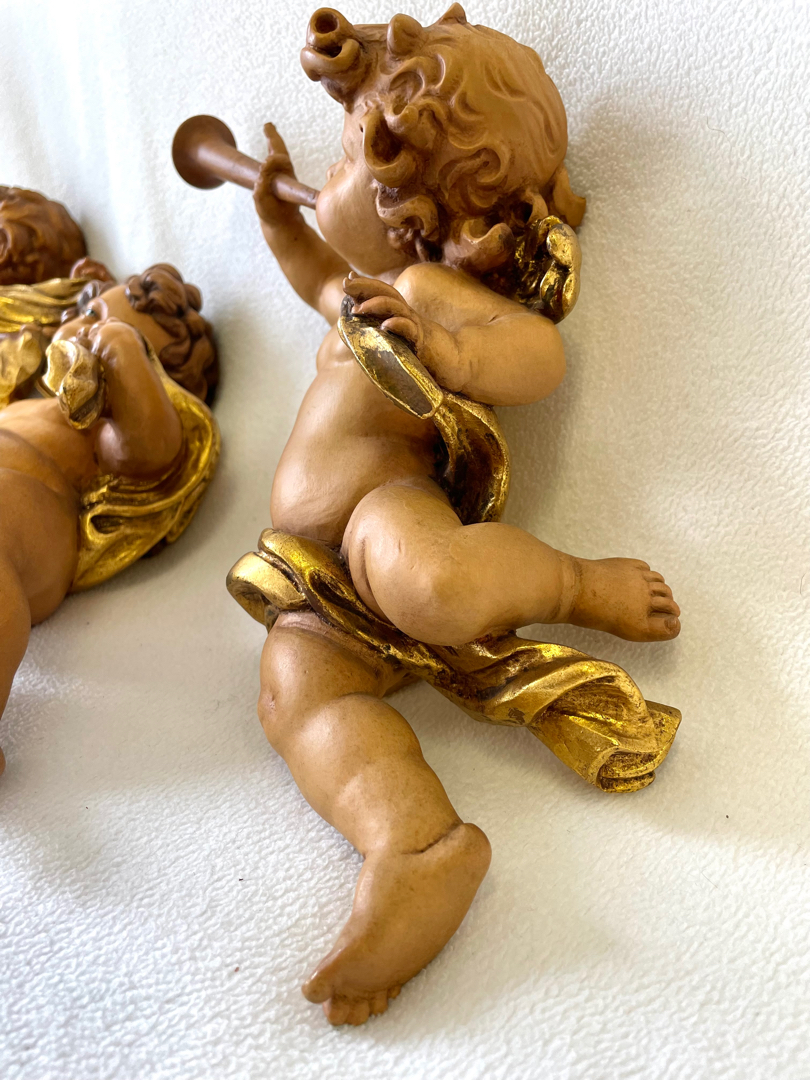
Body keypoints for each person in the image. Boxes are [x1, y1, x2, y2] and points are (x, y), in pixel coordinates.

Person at [248, 4, 680, 1025]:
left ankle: (576, 583)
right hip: (314, 576)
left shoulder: (427, 290)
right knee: (293, 695)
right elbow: (320, 281)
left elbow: (538, 354)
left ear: (412, 205)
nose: (327, 176)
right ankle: (412, 842)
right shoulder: (365, 289)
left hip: (383, 513)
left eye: (343, 158)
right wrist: (279, 226)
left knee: (429, 582)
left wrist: (447, 352)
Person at [0, 265, 220, 768]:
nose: (88, 332)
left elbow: (148, 450)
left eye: (116, 332)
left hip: (35, 517)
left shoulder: (100, 434)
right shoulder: (27, 399)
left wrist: (122, 354)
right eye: (91, 314)